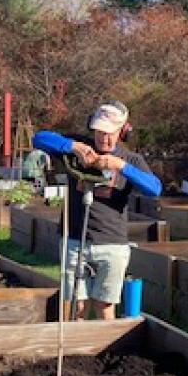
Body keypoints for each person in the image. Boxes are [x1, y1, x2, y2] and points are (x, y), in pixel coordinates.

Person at [33, 102, 162, 320]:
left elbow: (154, 188)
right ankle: (74, 348)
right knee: (75, 306)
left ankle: (103, 351)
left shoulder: (130, 160)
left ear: (123, 131)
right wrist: (73, 147)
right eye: (100, 132)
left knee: (104, 306)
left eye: (110, 133)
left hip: (112, 242)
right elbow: (39, 139)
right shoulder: (80, 147)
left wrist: (120, 166)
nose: (104, 139)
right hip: (75, 240)